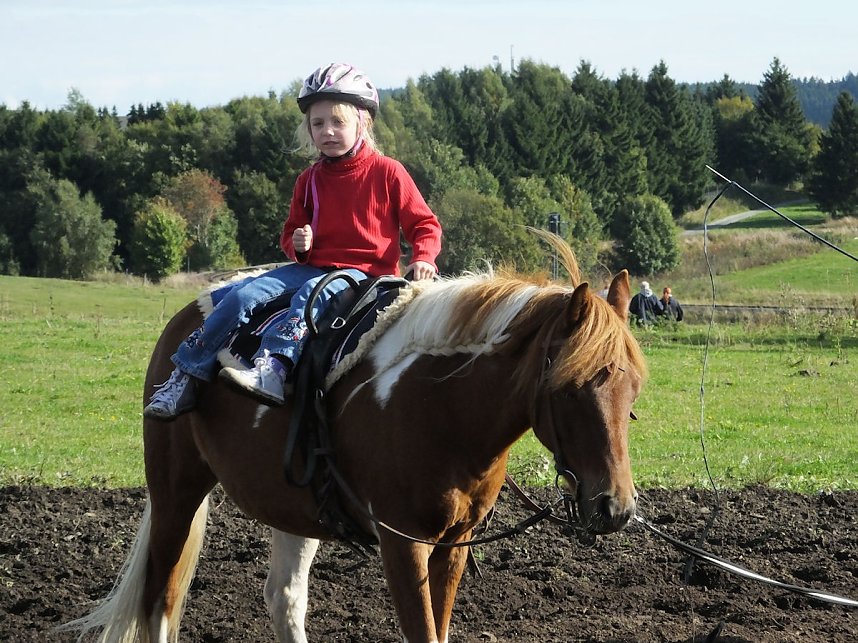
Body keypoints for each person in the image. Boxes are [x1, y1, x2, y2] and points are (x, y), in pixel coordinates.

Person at [143, 63, 442, 420]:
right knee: (242, 295)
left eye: (338, 122)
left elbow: (424, 224)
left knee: (310, 297)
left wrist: (424, 257)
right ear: (309, 129)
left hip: (365, 275)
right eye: (318, 123)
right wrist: (299, 243)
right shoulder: (309, 180)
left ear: (362, 123)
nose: (327, 131)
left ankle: (274, 367)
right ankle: (185, 375)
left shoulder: (388, 172)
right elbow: (290, 234)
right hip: (313, 266)